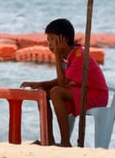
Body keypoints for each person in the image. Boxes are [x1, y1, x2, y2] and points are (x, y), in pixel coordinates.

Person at [20, 18, 109, 147]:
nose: (49, 44)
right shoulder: (69, 56)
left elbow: (61, 84)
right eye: (48, 40)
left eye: (52, 39)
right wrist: (41, 85)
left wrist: (56, 55)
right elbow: (63, 80)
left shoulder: (79, 55)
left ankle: (65, 142)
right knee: (42, 94)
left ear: (64, 40)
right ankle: (47, 139)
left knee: (56, 92)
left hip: (96, 95)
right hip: (82, 91)